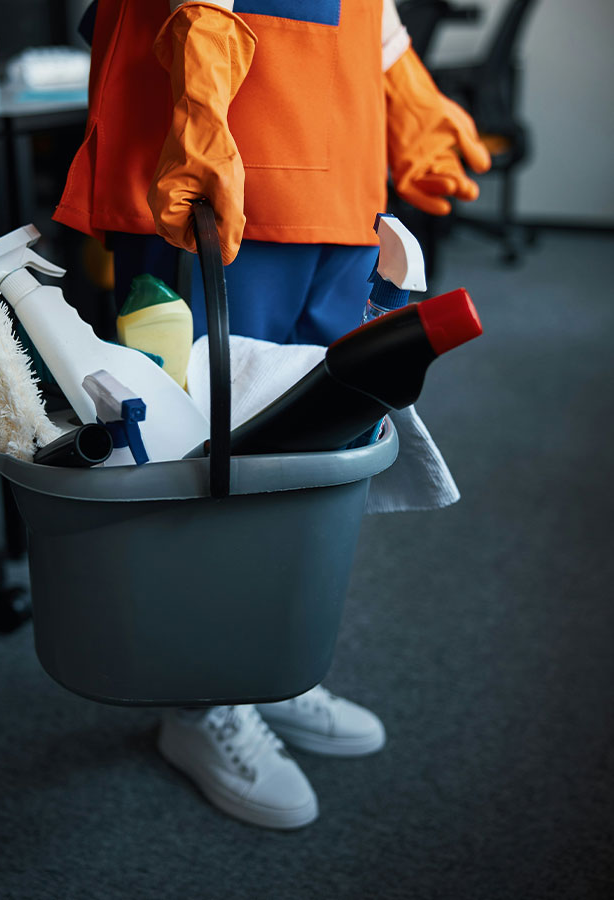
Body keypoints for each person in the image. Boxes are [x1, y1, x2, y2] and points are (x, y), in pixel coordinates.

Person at [54, 0, 491, 830]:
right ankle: (198, 700)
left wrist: (407, 91)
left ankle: (262, 663)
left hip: (337, 176)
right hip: (214, 168)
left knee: (320, 439)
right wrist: (201, 106)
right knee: (202, 446)